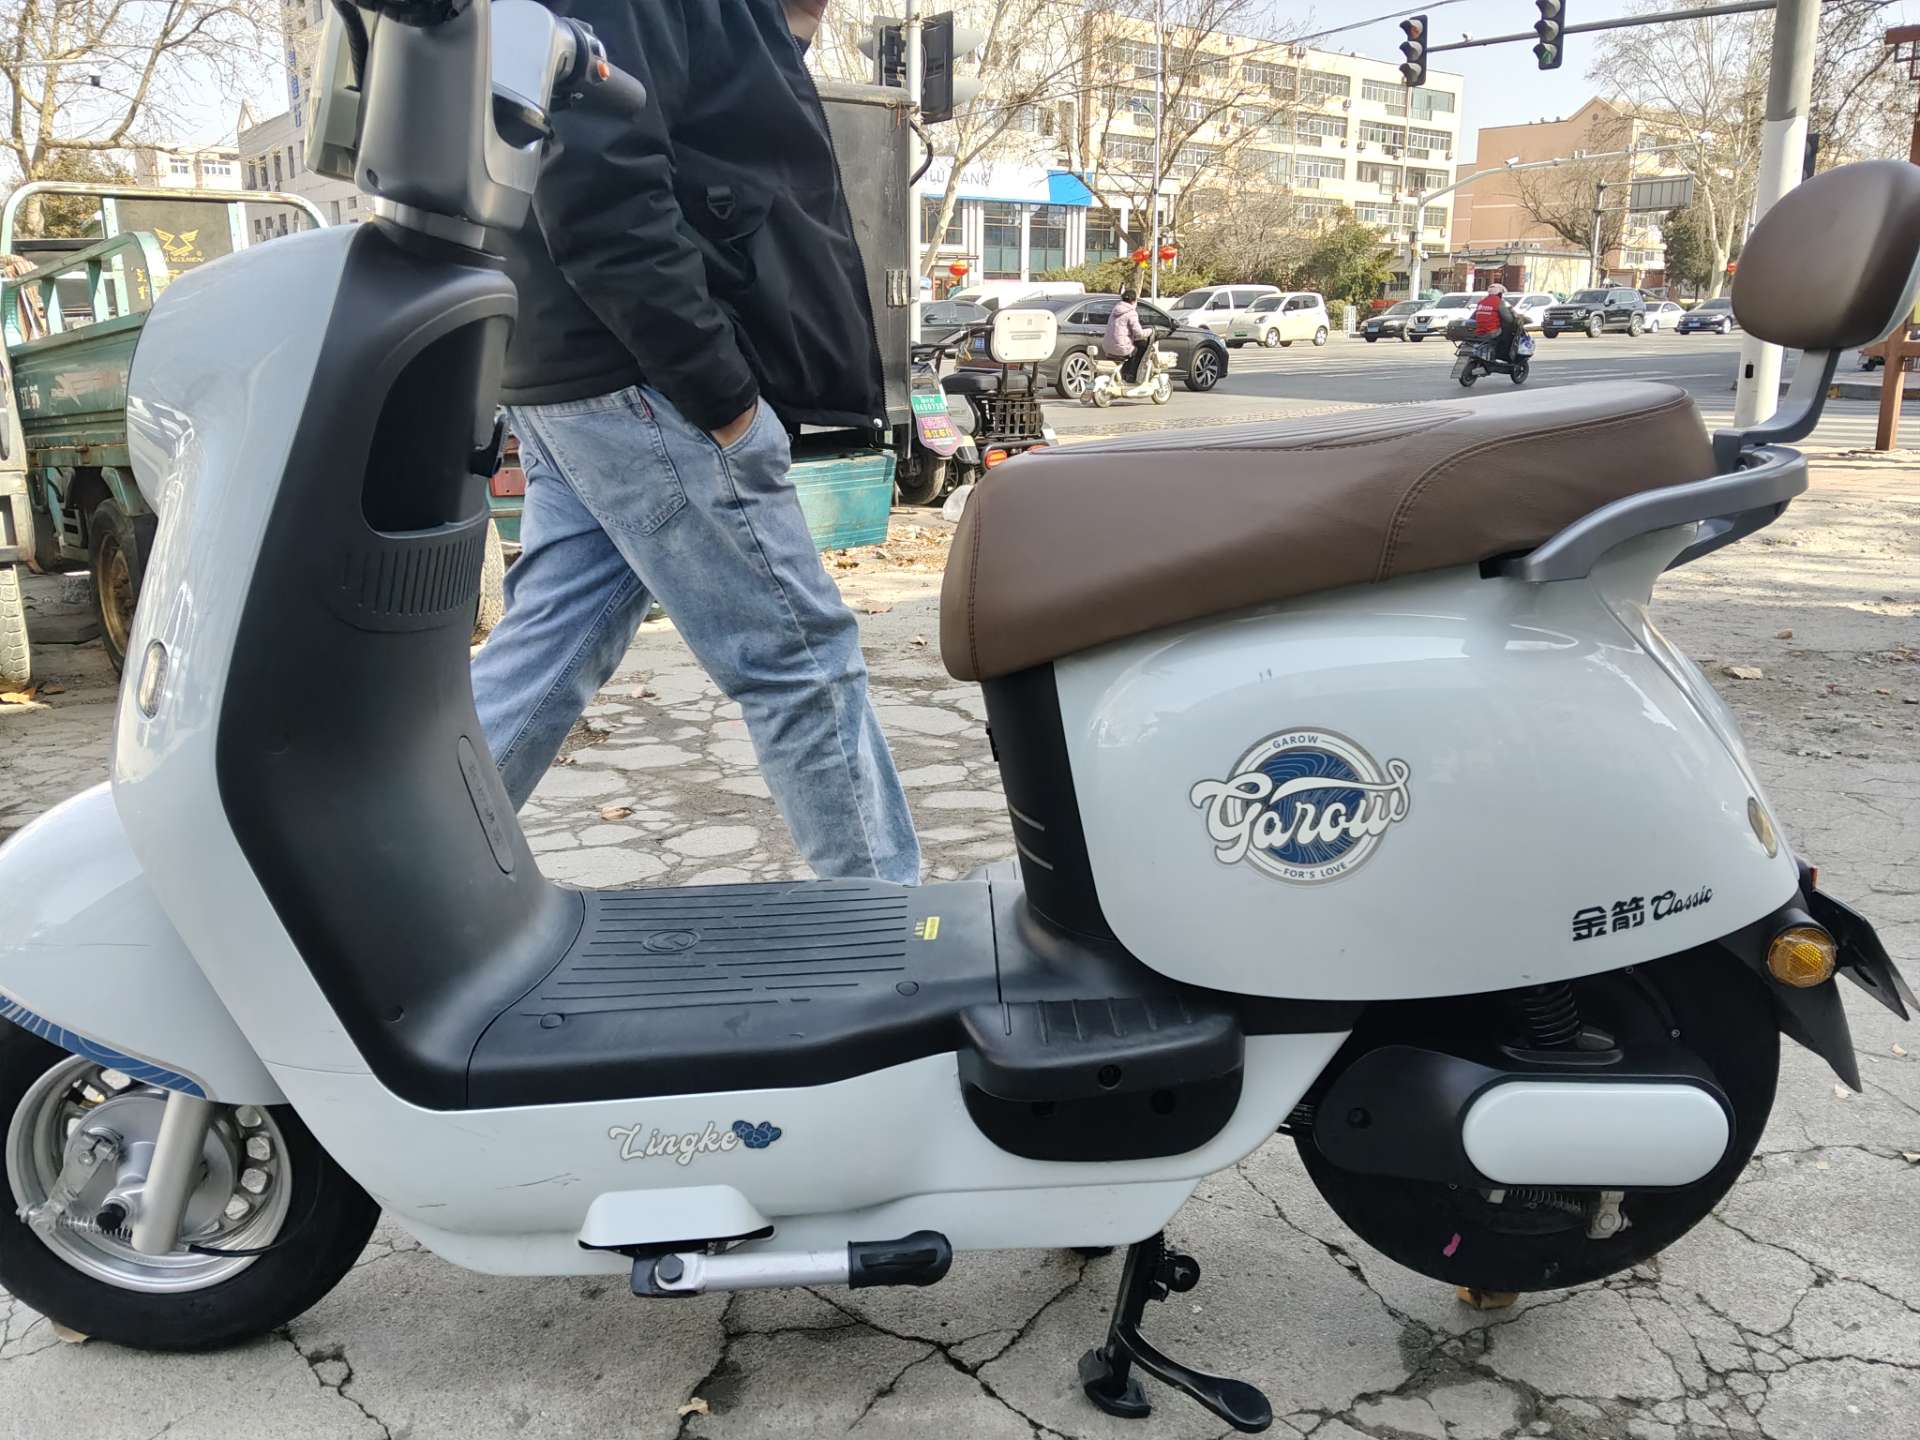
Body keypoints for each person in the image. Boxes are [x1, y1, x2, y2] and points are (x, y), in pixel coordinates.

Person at [470, 0, 921, 886]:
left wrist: (788, 26)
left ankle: (381, 886)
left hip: (576, 369)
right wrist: (722, 396)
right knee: (800, 661)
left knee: (549, 650)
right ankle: (887, 927)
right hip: (649, 378)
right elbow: (599, 181)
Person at [1104, 288, 1154, 383]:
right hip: (1121, 348)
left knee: (1132, 347)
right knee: (1141, 348)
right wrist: (1151, 330)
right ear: (1134, 300)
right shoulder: (1131, 313)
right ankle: (1132, 375)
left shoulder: (1115, 310)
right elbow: (1139, 334)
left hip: (1107, 347)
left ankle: (1124, 373)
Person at [1471, 283, 1522, 364]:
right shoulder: (1498, 302)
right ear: (1499, 293)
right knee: (1507, 335)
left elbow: (1474, 316)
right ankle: (1502, 357)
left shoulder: (1481, 302)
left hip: (1479, 330)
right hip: (1491, 331)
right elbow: (1508, 319)